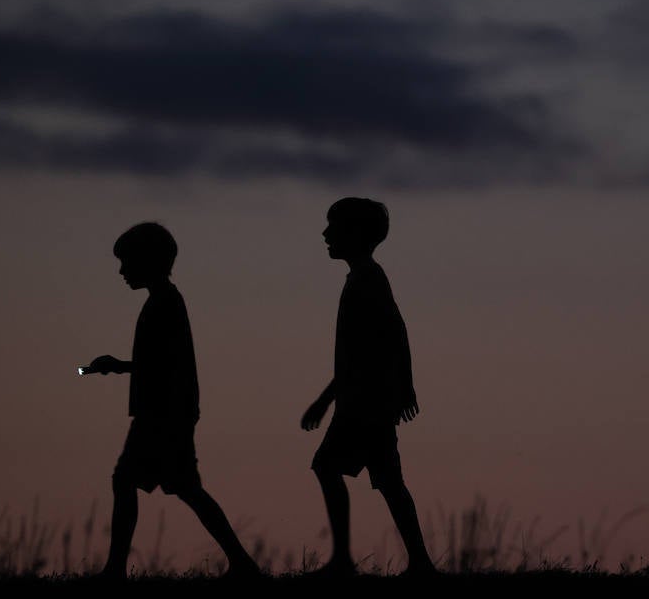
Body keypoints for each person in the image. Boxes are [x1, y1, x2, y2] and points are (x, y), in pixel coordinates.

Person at [82, 222, 260, 579]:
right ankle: (242, 563)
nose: (121, 271)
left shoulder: (164, 303)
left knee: (132, 481)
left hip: (163, 414)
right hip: (168, 411)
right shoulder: (163, 301)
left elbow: (164, 362)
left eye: (127, 262)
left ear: (148, 261)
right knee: (184, 488)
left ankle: (116, 568)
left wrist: (118, 366)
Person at [301, 198, 437, 577]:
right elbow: (397, 333)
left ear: (355, 234)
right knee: (389, 480)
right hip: (368, 399)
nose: (326, 234)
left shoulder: (366, 280)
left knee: (328, 465)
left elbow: (377, 343)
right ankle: (421, 563)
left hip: (362, 402)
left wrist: (324, 401)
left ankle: (344, 559)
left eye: (334, 227)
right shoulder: (366, 278)